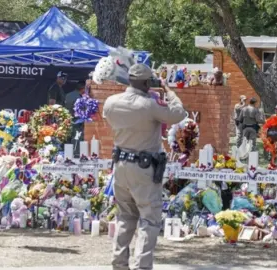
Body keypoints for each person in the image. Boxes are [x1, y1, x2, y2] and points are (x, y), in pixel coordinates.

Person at [103, 63, 187, 270]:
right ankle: (142, 266)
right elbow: (178, 113)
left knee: (125, 217)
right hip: (144, 168)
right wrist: (168, 91)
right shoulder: (149, 104)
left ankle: (119, 263)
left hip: (121, 166)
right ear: (147, 82)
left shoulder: (111, 102)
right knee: (149, 219)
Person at [65, 81, 87, 157]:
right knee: (76, 138)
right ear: (82, 88)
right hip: (77, 121)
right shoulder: (80, 98)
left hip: (68, 120)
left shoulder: (68, 95)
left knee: (68, 138)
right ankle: (75, 155)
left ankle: (67, 155)